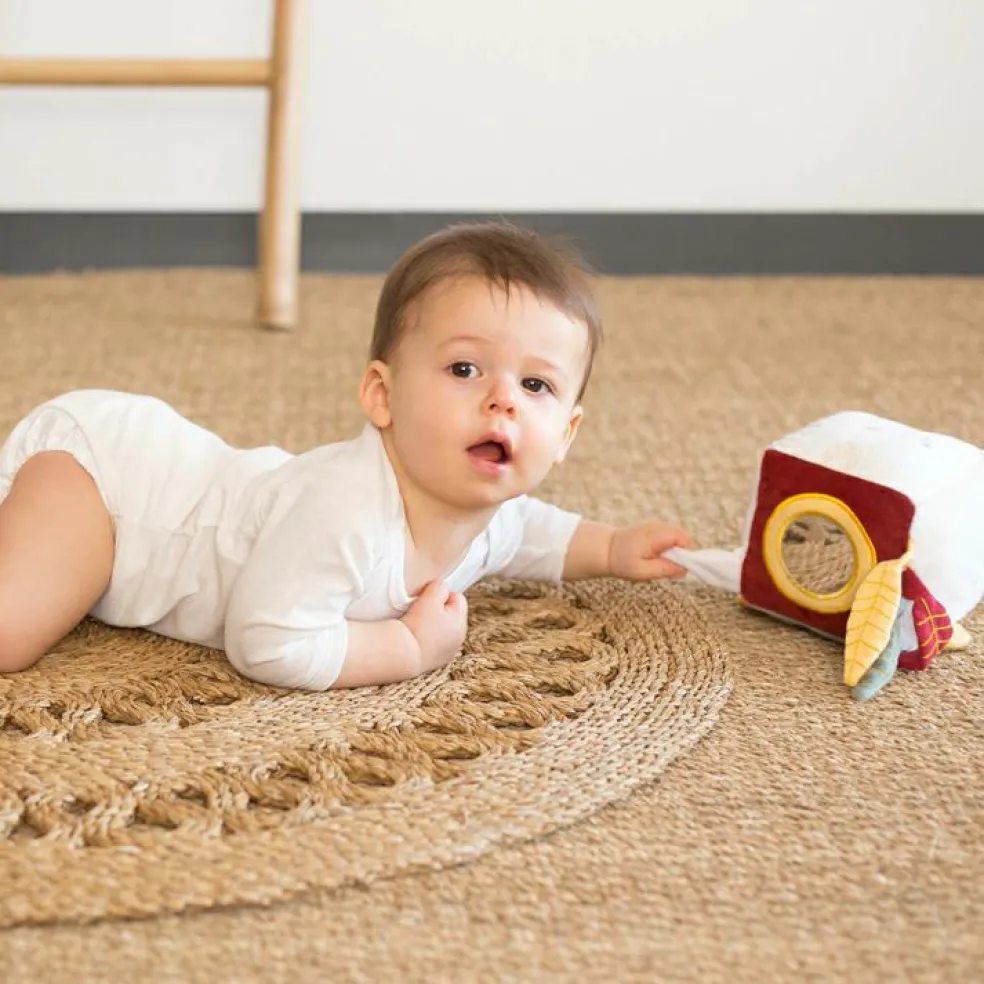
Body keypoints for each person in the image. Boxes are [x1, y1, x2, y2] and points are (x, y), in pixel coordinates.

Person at [0, 222, 692, 689]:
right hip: (115, 492)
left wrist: (612, 549)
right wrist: (408, 650)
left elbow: (533, 534)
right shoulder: (347, 508)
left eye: (535, 384)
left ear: (566, 433)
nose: (502, 401)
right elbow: (265, 641)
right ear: (381, 396)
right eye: (464, 370)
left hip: (138, 485)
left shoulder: (490, 513)